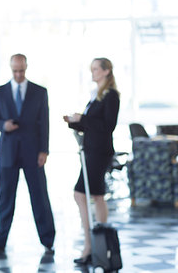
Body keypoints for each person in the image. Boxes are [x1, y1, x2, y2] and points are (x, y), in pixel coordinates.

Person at [0, 54, 55, 256]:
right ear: (10, 68)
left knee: (40, 196)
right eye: (15, 70)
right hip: (8, 152)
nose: (18, 74)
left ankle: (48, 240)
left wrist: (44, 150)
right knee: (5, 197)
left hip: (33, 152)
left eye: (21, 70)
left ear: (26, 67)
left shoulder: (39, 92)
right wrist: (3, 125)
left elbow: (44, 122)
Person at [63, 57, 120, 265]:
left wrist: (83, 119)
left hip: (99, 152)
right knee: (96, 195)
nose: (93, 73)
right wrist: (75, 122)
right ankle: (94, 246)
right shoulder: (96, 96)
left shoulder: (111, 96)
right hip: (91, 150)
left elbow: (107, 126)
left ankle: (93, 244)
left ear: (106, 71)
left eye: (96, 69)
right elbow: (92, 125)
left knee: (83, 194)